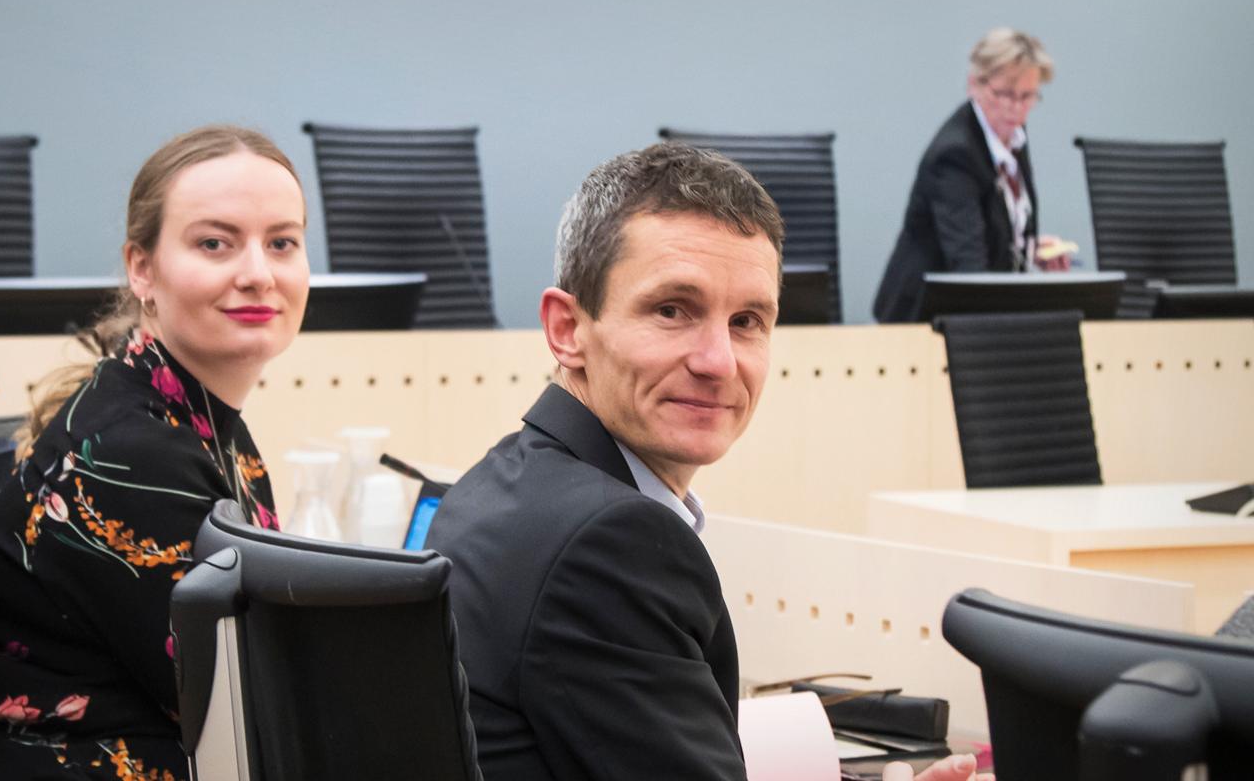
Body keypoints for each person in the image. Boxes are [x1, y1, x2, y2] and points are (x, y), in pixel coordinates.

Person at [425, 143, 991, 781]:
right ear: (568, 329)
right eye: (673, 310)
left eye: (747, 321)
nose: (718, 361)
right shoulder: (611, 543)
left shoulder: (500, 482)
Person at [0, 125, 309, 780]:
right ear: (141, 269)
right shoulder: (129, 454)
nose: (258, 273)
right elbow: (240, 699)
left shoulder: (192, 417)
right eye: (214, 243)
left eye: (282, 242)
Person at [873, 27, 1061, 324]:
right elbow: (969, 267)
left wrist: (1028, 245)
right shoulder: (955, 155)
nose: (1015, 108)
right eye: (1004, 94)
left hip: (967, 313)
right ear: (974, 84)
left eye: (1027, 97)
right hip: (920, 321)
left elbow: (995, 218)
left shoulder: (1012, 134)